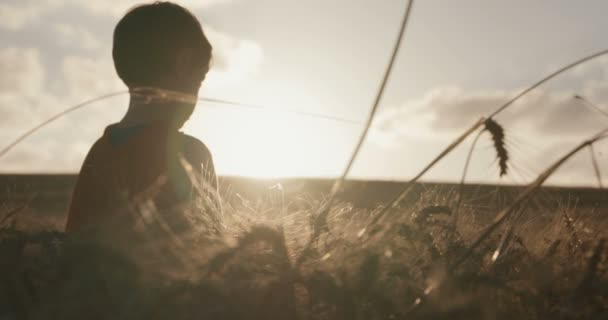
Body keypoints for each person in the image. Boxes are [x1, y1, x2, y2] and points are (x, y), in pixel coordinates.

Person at [65, 2, 220, 233]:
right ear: (183, 62)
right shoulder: (191, 154)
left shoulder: (99, 151)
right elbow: (215, 248)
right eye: (199, 80)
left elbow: (73, 243)